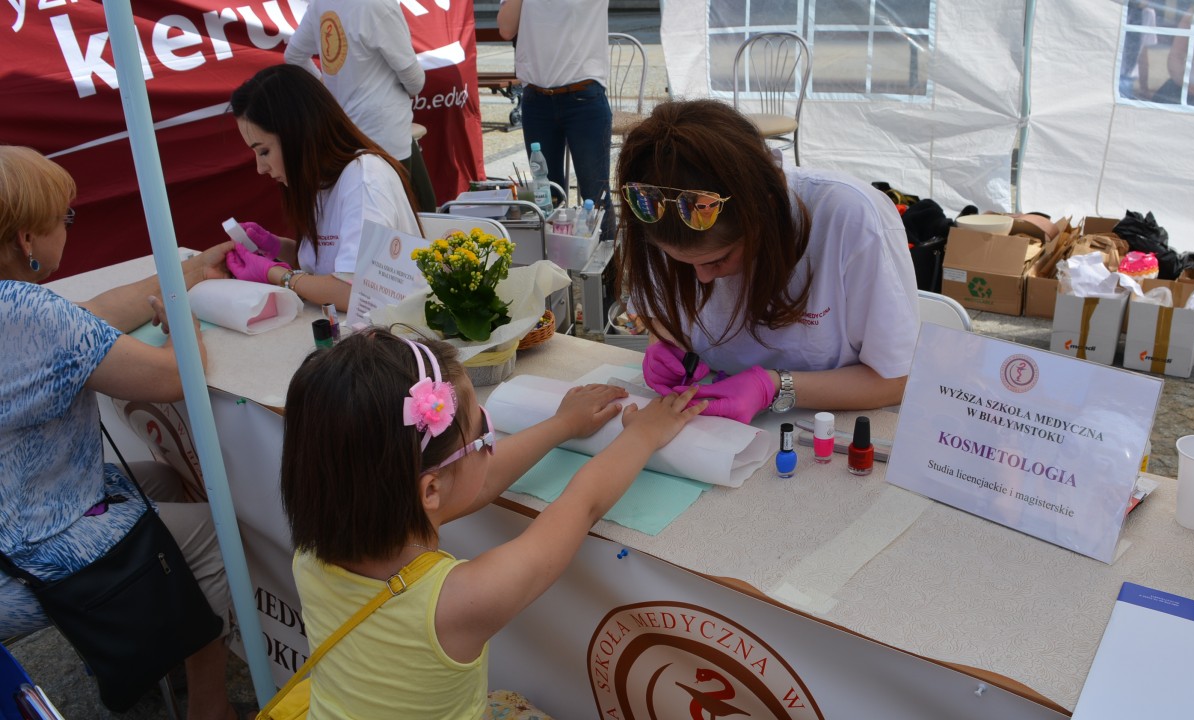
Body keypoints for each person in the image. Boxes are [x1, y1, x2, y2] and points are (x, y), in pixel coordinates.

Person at [279, 328, 704, 717]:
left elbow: (475, 483)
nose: (490, 441)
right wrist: (645, 435)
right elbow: (582, 504)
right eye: (483, 432)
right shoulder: (460, 601)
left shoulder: (314, 550)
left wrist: (563, 424)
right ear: (429, 491)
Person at [0, 146, 239, 720]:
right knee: (216, 534)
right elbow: (175, 376)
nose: (70, 228)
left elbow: (96, 312)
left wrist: (189, 270)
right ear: (27, 240)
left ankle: (160, 644)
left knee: (162, 475)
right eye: (65, 217)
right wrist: (178, 319)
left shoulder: (21, 307)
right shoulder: (30, 314)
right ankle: (211, 707)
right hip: (40, 545)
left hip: (23, 513)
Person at [616, 99, 920, 423]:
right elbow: (662, 312)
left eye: (719, 259)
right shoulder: (656, 208)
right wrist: (666, 343)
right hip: (710, 423)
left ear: (766, 212)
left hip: (826, 426)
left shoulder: (852, 220)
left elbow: (896, 380)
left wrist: (774, 387)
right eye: (679, 262)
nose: (702, 278)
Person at [226, 64, 421, 312]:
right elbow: (326, 267)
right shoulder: (319, 181)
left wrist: (278, 275)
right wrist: (277, 247)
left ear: (298, 133)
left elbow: (353, 291)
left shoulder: (363, 179)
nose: (260, 168)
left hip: (396, 336)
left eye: (264, 151)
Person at [283, 0, 437, 212]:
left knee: (413, 209)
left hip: (345, 132)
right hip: (385, 134)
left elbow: (294, 56)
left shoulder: (321, 3)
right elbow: (414, 80)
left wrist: (326, 90)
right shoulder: (378, 5)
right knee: (408, 221)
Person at [497, 0, 614, 236]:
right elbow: (506, 28)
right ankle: (556, 269)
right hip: (537, 100)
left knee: (596, 196)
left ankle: (609, 270)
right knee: (547, 197)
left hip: (584, 97)